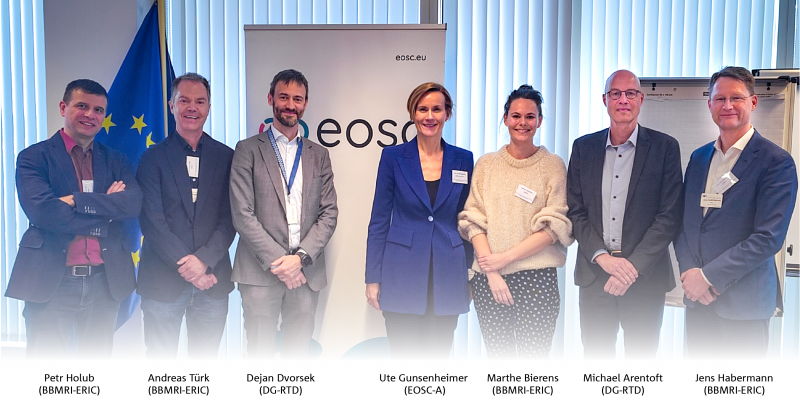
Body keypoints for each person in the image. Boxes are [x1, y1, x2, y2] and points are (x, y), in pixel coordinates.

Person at [5, 79, 142, 357]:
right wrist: (107, 205)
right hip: (52, 281)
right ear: (63, 107)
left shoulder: (116, 159)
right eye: (82, 106)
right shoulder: (34, 157)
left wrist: (75, 201)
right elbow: (43, 212)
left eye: (98, 110)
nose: (90, 115)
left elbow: (132, 204)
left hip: (105, 281)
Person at [675, 66, 798, 357]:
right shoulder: (700, 156)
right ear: (709, 105)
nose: (727, 106)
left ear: (753, 103)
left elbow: (768, 238)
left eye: (736, 98)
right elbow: (685, 224)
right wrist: (691, 275)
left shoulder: (776, 162)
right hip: (698, 302)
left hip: (745, 307)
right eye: (719, 99)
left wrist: (707, 278)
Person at [566, 69, 683, 358]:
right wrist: (602, 257)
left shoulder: (665, 148)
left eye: (630, 93)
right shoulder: (583, 148)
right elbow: (576, 211)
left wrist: (630, 269)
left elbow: (668, 216)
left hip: (645, 278)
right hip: (596, 276)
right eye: (615, 93)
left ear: (641, 99)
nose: (623, 100)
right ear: (604, 100)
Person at [230, 69, 338, 359]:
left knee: (297, 356)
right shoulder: (247, 150)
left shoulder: (319, 154)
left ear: (305, 104)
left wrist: (299, 259)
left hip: (306, 272)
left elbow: (329, 213)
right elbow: (242, 213)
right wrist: (281, 263)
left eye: (298, 99)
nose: (291, 105)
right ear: (271, 99)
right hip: (260, 271)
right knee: (260, 355)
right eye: (284, 97)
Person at [458, 85, 573, 358]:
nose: (523, 123)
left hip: (537, 281)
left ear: (540, 121)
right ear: (506, 118)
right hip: (489, 280)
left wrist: (504, 259)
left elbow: (555, 226)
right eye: (516, 115)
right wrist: (492, 271)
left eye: (530, 116)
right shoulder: (486, 165)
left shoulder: (553, 165)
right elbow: (473, 219)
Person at [365, 82, 473, 359]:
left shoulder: (463, 159)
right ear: (413, 113)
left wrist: (469, 274)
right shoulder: (393, 157)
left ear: (447, 114)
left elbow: (468, 220)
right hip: (401, 273)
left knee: (437, 359)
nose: (429, 116)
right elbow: (379, 220)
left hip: (449, 273)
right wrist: (373, 278)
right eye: (422, 109)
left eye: (436, 109)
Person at [136, 73, 235, 358]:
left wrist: (203, 262)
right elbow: (152, 221)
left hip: (213, 282)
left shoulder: (227, 157)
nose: (192, 108)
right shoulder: (152, 158)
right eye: (185, 100)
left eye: (200, 101)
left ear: (208, 107)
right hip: (162, 282)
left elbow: (231, 219)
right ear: (172, 105)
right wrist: (190, 269)